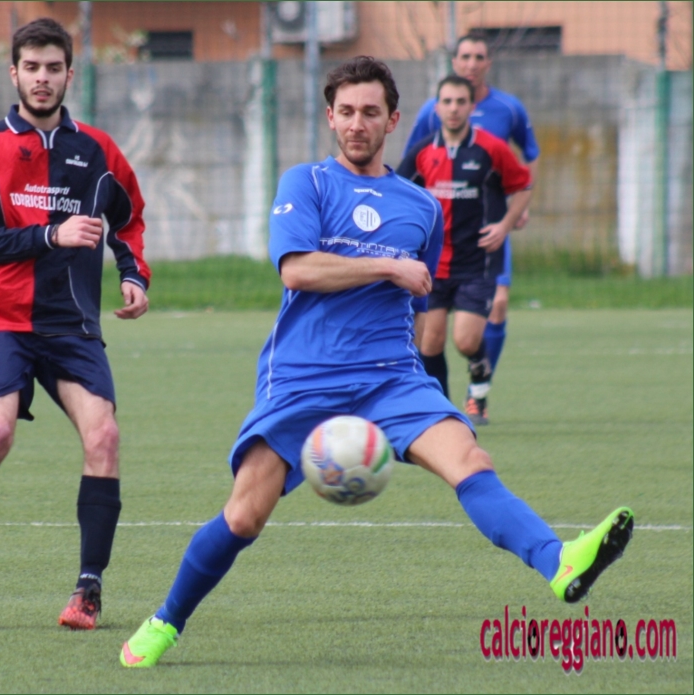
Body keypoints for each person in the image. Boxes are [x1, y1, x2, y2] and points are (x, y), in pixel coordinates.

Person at [119, 56, 632, 668]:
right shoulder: (306, 184)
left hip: (391, 379)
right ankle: (165, 621)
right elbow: (297, 270)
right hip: (303, 378)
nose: (356, 123)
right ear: (330, 118)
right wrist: (387, 265)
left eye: (369, 112)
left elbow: (419, 301)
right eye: (346, 112)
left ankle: (558, 561)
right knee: (246, 515)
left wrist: (424, 378)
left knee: (471, 460)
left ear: (392, 120)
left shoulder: (421, 208)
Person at [0, 18, 151, 631]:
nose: (43, 78)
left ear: (69, 74)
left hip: (71, 323)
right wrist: (53, 234)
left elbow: (128, 219)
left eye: (54, 68)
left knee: (104, 436)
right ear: (15, 73)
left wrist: (133, 274)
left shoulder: (98, 151)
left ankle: (89, 589)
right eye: (32, 67)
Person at [403, 32, 540, 423]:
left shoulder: (493, 143)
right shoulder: (423, 149)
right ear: (437, 107)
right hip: (433, 260)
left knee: (465, 339)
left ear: (470, 105)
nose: (453, 108)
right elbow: (399, 188)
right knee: (429, 341)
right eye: (446, 102)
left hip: (476, 259)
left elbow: (525, 181)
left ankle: (478, 379)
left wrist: (507, 223)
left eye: (460, 102)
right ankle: (443, 412)